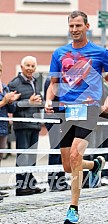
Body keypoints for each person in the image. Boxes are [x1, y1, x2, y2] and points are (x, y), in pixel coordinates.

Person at [45, 10, 108, 224]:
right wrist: (48, 100)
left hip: (88, 109)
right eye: (71, 26)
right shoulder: (59, 53)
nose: (74, 30)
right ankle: (95, 165)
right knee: (68, 165)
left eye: (78, 25)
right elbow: (53, 84)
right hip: (65, 110)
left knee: (75, 157)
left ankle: (73, 208)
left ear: (87, 26)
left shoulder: (99, 52)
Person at [8, 56, 46, 196]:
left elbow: (38, 102)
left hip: (34, 124)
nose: (30, 68)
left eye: (32, 66)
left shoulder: (34, 81)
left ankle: (30, 184)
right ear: (22, 67)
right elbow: (11, 106)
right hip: (22, 125)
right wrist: (28, 102)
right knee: (23, 157)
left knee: (31, 158)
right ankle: (21, 187)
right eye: (27, 66)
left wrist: (40, 102)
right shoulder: (14, 84)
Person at [0, 61, 21, 201]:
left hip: (2, 128)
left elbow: (11, 111)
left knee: (0, 158)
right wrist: (3, 102)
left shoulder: (4, 87)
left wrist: (11, 101)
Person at [44, 78, 69, 191]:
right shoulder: (51, 81)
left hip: (64, 120)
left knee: (63, 151)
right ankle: (53, 182)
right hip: (54, 120)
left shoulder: (66, 80)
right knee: (55, 150)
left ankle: (61, 180)